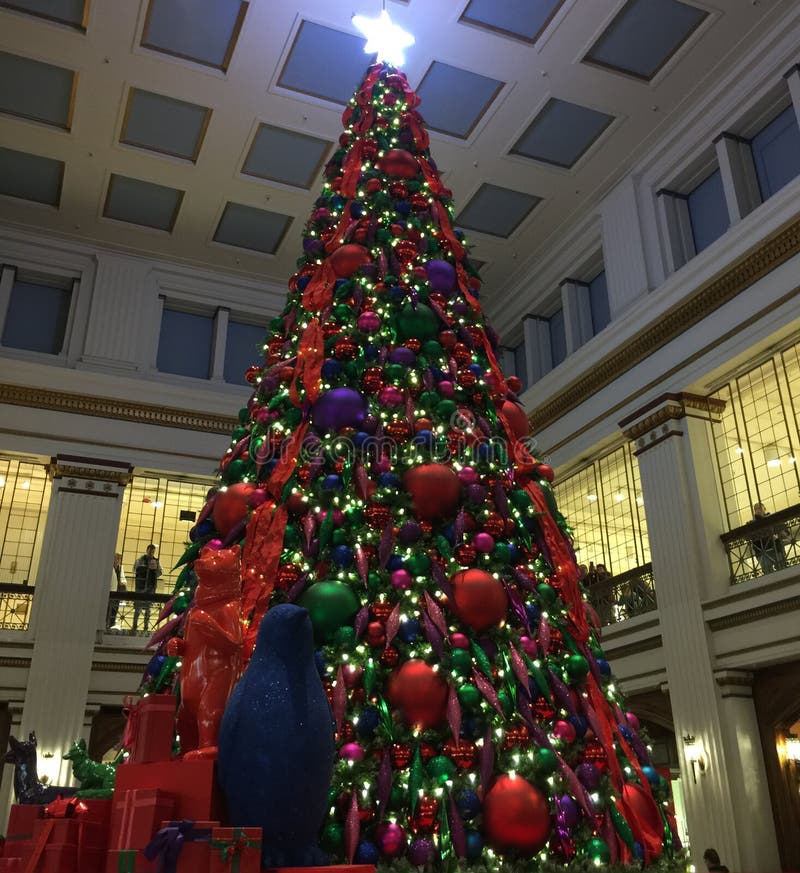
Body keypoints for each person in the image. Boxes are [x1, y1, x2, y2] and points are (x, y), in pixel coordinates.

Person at [132, 544, 162, 632]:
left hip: (151, 587)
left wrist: (155, 568)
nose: (151, 553)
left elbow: (160, 572)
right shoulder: (140, 560)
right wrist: (146, 568)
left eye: (153, 551)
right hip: (140, 587)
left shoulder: (156, 561)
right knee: (138, 608)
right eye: (150, 551)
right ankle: (134, 626)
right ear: (147, 550)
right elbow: (135, 569)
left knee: (148, 609)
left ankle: (146, 627)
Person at [751, 501, 786, 576]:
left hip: (776, 547)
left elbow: (783, 531)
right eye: (755, 509)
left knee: (782, 569)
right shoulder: (751, 524)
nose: (758, 510)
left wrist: (778, 535)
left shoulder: (773, 518)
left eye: (759, 508)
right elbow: (748, 537)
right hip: (762, 551)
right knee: (768, 573)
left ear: (764, 509)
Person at [106, 552, 126, 630]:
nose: (118, 560)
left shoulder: (120, 568)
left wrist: (123, 583)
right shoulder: (109, 567)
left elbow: (123, 578)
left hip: (118, 591)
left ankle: (111, 624)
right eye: (117, 558)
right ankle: (106, 623)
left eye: (119, 559)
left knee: (115, 609)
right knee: (108, 609)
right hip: (111, 591)